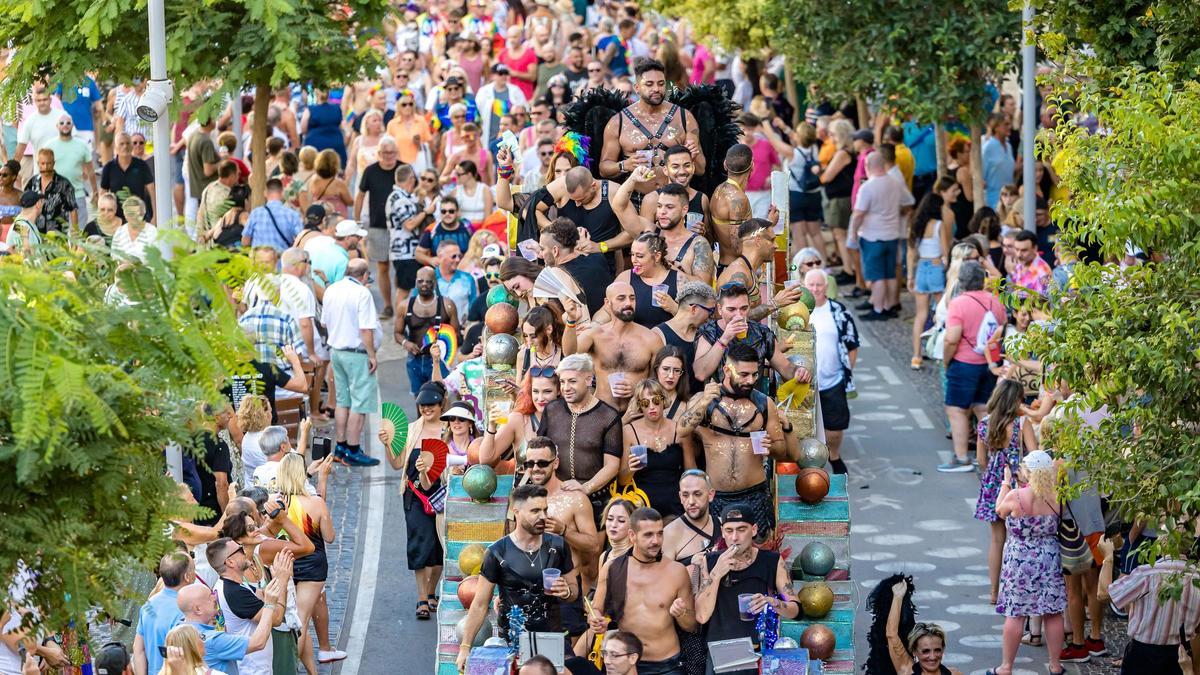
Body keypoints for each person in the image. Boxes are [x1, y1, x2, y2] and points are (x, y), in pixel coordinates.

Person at [455, 484, 578, 671]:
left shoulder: (558, 546)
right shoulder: (497, 552)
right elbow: (480, 604)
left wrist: (567, 591)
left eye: (545, 510)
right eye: (535, 511)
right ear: (517, 512)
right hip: (512, 641)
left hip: (549, 637)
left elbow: (574, 592)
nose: (543, 516)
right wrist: (465, 648)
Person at [680, 343, 794, 540]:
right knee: (714, 554)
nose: (750, 380)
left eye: (754, 374)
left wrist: (771, 446)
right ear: (727, 370)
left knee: (757, 554)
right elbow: (682, 430)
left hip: (754, 495)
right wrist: (705, 401)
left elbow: (781, 451)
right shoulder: (703, 400)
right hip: (716, 497)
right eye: (743, 374)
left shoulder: (764, 403)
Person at [587, 508, 698, 674]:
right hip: (627, 664)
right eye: (648, 535)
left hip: (667, 665)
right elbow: (595, 609)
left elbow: (692, 626)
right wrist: (596, 620)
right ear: (632, 536)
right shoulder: (612, 568)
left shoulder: (676, 571)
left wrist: (681, 613)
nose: (656, 541)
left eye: (660, 534)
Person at [694, 504, 800, 675]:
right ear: (722, 531)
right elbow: (701, 615)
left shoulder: (771, 561)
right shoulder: (710, 561)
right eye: (729, 531)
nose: (735, 537)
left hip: (757, 654)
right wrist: (716, 573)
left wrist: (772, 603)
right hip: (721, 655)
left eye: (741, 529)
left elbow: (795, 610)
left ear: (754, 529)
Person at [989, 450, 1067, 675]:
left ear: (1028, 472)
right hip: (1050, 557)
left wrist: (1005, 484)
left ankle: (1006, 667)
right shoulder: (1057, 495)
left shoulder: (1016, 496)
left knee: (1016, 613)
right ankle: (1055, 665)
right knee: (1052, 612)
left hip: (1021, 559)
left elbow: (999, 511)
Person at [385, 382, 447, 620]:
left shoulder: (449, 429)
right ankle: (422, 597)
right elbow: (397, 463)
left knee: (440, 545)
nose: (426, 409)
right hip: (415, 495)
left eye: (431, 404)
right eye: (423, 404)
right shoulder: (411, 430)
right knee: (419, 543)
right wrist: (387, 444)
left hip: (442, 494)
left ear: (441, 405)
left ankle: (432, 591)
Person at [939, 261, 1007, 472]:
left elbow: (952, 338)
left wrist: (946, 360)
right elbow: (1002, 331)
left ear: (961, 281)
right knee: (983, 408)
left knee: (957, 410)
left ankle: (961, 459)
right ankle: (988, 456)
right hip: (989, 364)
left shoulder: (959, 303)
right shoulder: (996, 302)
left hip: (964, 363)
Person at [538, 353, 623, 522]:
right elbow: (540, 450)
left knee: (592, 548)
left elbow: (612, 465)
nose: (566, 387)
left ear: (588, 379)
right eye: (562, 382)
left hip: (596, 498)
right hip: (555, 496)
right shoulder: (552, 410)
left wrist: (585, 488)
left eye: (572, 381)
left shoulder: (608, 416)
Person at [599, 59, 705, 193]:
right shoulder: (618, 122)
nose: (656, 89)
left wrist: (692, 157)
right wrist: (624, 165)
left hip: (677, 199)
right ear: (637, 88)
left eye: (661, 84)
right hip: (637, 199)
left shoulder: (684, 117)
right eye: (649, 84)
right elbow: (603, 168)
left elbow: (701, 170)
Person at [972, 379, 1034, 604]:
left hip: (993, 483)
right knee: (1018, 539)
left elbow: (981, 460)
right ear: (1015, 400)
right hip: (1017, 483)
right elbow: (1034, 455)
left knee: (997, 540)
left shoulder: (984, 424)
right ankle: (1017, 588)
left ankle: (994, 592)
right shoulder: (1021, 424)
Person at [694, 283, 808, 398]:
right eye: (731, 309)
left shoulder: (762, 333)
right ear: (719, 309)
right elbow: (700, 374)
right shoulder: (709, 332)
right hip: (719, 405)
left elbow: (785, 367)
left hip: (754, 403)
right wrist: (724, 338)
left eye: (744, 308)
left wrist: (798, 371)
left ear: (749, 306)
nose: (738, 315)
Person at [522, 437, 601, 600]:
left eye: (542, 463)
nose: (535, 469)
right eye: (530, 464)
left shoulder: (575, 499)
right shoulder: (522, 500)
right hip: (530, 589)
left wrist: (564, 531)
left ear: (555, 463)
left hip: (565, 588)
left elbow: (593, 546)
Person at [321, 258, 382, 466]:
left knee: (342, 401)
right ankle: (354, 449)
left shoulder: (331, 289)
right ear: (364, 275)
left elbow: (324, 322)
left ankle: (340, 445)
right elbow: (366, 328)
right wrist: (372, 354)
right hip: (356, 353)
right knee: (359, 402)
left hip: (336, 351)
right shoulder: (362, 293)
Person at [563, 283, 663, 411]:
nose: (628, 303)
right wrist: (571, 320)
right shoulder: (595, 335)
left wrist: (639, 388)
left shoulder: (651, 339)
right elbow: (569, 354)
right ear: (607, 302)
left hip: (637, 413)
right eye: (621, 298)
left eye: (632, 298)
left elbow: (660, 380)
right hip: (602, 413)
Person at [176, 561, 283, 673]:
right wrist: (269, 604)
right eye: (209, 597)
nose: (214, 597)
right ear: (198, 609)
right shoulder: (213, 640)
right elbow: (258, 643)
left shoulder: (178, 628)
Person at [209, 532, 289, 675]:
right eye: (239, 550)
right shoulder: (235, 593)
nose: (244, 551)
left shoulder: (231, 586)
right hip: (251, 669)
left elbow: (264, 595)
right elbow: (276, 619)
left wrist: (276, 578)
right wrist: (282, 581)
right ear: (230, 562)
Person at [804, 268, 859, 475]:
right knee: (805, 426)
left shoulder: (839, 311)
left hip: (833, 379)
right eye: (811, 284)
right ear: (804, 285)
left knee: (835, 427)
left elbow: (852, 344)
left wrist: (846, 372)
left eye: (819, 284)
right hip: (805, 382)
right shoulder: (797, 310)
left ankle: (834, 455)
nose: (815, 289)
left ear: (826, 286)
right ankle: (809, 462)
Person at [614, 172, 715, 285]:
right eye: (659, 206)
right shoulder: (650, 232)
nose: (662, 212)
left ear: (684, 210)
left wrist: (666, 266)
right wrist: (632, 179)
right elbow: (619, 207)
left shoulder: (698, 244)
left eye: (669, 207)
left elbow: (704, 287)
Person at [848, 152, 914, 320]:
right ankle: (890, 305)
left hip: (872, 236)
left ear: (867, 166)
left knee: (877, 276)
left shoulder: (868, 187)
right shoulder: (895, 183)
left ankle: (878, 309)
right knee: (890, 274)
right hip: (892, 234)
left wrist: (852, 234)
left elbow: (858, 214)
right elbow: (908, 202)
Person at [1108, 554, 1200, 674]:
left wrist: (1107, 559)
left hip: (1142, 654)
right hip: (1181, 655)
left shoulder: (1146, 572)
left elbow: (1103, 593)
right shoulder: (1197, 576)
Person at [907, 177, 958, 369]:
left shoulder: (916, 225)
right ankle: (939, 350)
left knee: (920, 315)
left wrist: (910, 276)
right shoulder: (938, 225)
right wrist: (948, 269)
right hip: (936, 267)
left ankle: (916, 356)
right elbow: (946, 252)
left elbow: (911, 252)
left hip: (921, 268)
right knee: (942, 311)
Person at [620, 379, 689, 519]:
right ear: (640, 406)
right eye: (645, 403)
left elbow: (690, 472)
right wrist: (631, 469)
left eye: (656, 400)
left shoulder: (679, 430)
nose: (651, 406)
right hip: (642, 506)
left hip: (676, 505)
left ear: (663, 401)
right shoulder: (628, 431)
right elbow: (622, 480)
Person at [542, 167, 629, 273]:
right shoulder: (560, 186)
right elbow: (531, 208)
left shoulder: (613, 192)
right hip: (565, 268)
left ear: (593, 186)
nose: (577, 204)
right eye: (573, 200)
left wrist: (601, 246)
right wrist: (556, 230)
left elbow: (632, 233)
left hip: (600, 268)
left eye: (580, 199)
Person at [716, 217, 804, 321]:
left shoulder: (747, 269)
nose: (776, 246)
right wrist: (775, 304)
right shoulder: (739, 274)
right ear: (758, 240)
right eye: (772, 240)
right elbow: (735, 319)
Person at [478, 367, 559, 471]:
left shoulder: (568, 419)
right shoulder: (518, 419)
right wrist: (491, 426)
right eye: (535, 391)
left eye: (547, 391)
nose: (540, 398)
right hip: (525, 485)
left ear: (558, 391)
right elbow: (485, 460)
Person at [396, 266, 460, 395]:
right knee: (420, 398)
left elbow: (456, 334)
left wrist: (446, 349)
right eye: (420, 281)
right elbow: (397, 333)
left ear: (434, 283)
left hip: (439, 360)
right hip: (415, 359)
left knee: (441, 396)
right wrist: (406, 343)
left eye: (428, 281)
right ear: (415, 282)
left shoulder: (447, 305)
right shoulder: (405, 306)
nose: (424, 284)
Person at [132, 552, 195, 675]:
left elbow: (138, 649)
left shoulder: (148, 605)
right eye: (194, 569)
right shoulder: (185, 609)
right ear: (188, 576)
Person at [537, 217, 613, 316]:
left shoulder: (556, 281)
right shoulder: (598, 258)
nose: (541, 254)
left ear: (555, 251)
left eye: (542, 249)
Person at [884, 579, 963, 675]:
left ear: (943, 650)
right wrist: (897, 597)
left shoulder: (954, 673)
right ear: (914, 652)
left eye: (937, 650)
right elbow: (891, 634)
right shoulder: (907, 671)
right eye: (926, 651)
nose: (933, 657)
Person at [652, 284, 714, 402]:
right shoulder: (658, 335)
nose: (710, 318)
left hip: (697, 407)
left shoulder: (705, 335)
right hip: (667, 408)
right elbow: (651, 378)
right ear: (694, 309)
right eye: (710, 311)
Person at [384, 162, 425, 307]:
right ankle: (399, 323)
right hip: (404, 252)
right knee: (404, 289)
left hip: (405, 251)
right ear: (411, 179)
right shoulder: (399, 199)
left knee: (406, 287)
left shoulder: (403, 196)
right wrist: (427, 212)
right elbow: (409, 224)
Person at [43, 113, 95, 223]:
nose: (65, 125)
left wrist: (95, 191)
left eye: (68, 123)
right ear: (57, 126)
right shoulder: (49, 146)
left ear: (72, 125)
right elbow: (43, 171)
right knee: (56, 234)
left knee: (79, 234)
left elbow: (91, 170)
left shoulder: (82, 145)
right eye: (61, 123)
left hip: (78, 195)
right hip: (56, 196)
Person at [709, 144, 753, 271]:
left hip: (724, 265)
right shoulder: (738, 199)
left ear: (725, 165)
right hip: (736, 269)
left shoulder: (718, 189)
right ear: (753, 166)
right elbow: (737, 246)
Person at [661, 470, 719, 566]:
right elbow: (664, 577)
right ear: (680, 497)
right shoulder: (669, 534)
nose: (691, 501)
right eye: (685, 495)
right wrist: (689, 566)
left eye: (697, 494)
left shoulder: (724, 526)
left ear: (710, 495)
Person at [242, 178, 302, 251]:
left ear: (265, 193)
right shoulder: (292, 215)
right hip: (281, 260)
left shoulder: (255, 213)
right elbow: (301, 240)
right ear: (282, 193)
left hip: (259, 259)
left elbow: (245, 241)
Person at [24, 148, 76, 231]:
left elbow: (73, 210)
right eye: (43, 163)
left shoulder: (64, 184)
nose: (45, 167)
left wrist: (75, 235)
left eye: (49, 163)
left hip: (58, 236)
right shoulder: (32, 182)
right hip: (35, 233)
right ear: (38, 164)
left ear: (54, 163)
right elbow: (24, 207)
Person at [415, 196, 473, 266]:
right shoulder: (432, 229)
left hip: (464, 270)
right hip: (439, 272)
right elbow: (418, 253)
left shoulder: (467, 227)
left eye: (451, 211)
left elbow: (477, 250)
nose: (447, 214)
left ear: (457, 212)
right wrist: (430, 260)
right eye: (443, 211)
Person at [300, 90, 347, 166]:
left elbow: (303, 129)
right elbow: (342, 126)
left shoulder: (310, 110)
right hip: (336, 145)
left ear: (315, 93)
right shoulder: (337, 108)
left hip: (315, 146)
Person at [434, 240, 477, 315]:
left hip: (462, 326)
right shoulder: (429, 278)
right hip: (435, 326)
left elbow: (473, 308)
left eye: (459, 256)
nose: (458, 260)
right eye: (453, 256)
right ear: (440, 256)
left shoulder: (468, 279)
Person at [981, 113, 1015, 209]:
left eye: (1009, 124)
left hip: (1011, 199)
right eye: (1005, 124)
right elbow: (981, 178)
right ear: (996, 128)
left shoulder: (1009, 146)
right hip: (993, 201)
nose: (1009, 127)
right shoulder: (987, 148)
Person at [1007, 229, 1053, 299]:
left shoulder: (1043, 271)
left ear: (1035, 248)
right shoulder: (1019, 265)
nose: (1019, 254)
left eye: (1024, 250)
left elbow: (1044, 300)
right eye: (1016, 249)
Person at [111, 196, 158, 262]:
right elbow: (114, 257)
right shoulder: (119, 232)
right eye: (129, 214)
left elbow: (155, 258)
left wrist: (133, 265)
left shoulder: (152, 231)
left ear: (142, 213)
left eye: (135, 213)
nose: (132, 217)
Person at [598, 498, 636, 568]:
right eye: (610, 519)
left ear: (632, 525)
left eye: (621, 520)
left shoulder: (638, 557)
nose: (613, 525)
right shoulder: (604, 557)